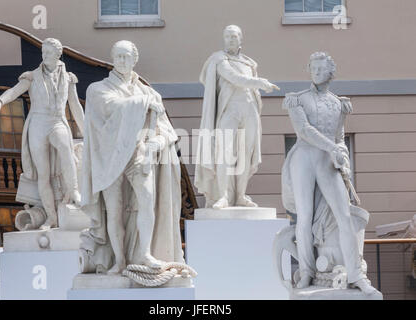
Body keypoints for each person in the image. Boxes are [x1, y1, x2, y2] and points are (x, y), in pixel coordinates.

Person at [79, 40, 184, 274]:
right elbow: (113, 107)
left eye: (126, 56)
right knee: (114, 212)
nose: (122, 61)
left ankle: (145, 254)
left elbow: (167, 131)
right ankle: (119, 260)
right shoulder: (98, 89)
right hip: (109, 160)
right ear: (112, 59)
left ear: (135, 59)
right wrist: (146, 103)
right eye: (118, 56)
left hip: (139, 155)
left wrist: (154, 143)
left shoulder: (147, 91)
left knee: (147, 202)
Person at [281, 52, 377, 294]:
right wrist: (333, 147)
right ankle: (306, 272)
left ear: (331, 72)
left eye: (321, 69)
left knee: (344, 216)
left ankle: (355, 274)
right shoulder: (297, 99)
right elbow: (304, 130)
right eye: (313, 68)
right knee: (304, 217)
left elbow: (340, 136)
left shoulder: (338, 103)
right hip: (304, 157)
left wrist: (341, 151)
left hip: (327, 161)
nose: (316, 72)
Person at [0, 38, 84, 229]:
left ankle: (74, 192)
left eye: (49, 53)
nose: (45, 56)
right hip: (38, 123)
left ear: (58, 55)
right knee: (43, 174)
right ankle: (51, 217)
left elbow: (74, 105)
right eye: (43, 53)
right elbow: (14, 92)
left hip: (57, 121)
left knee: (67, 153)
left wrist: (86, 130)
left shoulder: (69, 78)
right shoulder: (32, 76)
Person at [195, 25, 279, 209]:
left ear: (241, 39)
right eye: (227, 37)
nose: (231, 40)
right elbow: (234, 77)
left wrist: (258, 83)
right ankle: (224, 195)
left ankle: (240, 195)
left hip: (249, 110)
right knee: (225, 153)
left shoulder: (250, 63)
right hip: (229, 110)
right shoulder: (219, 59)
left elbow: (250, 89)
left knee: (245, 155)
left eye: (234, 36)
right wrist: (261, 82)